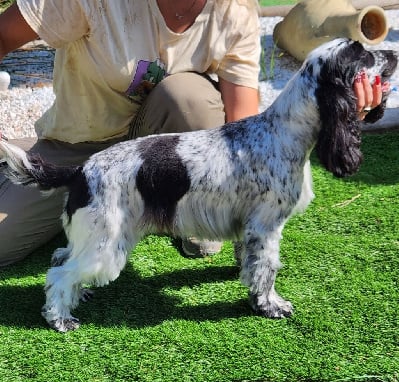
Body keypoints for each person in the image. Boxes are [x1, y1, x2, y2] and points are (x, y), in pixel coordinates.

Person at [0, 0, 386, 267]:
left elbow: (249, 133)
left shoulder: (234, 10)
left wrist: (344, 108)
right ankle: (19, 156)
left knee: (186, 96)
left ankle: (174, 207)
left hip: (169, 146)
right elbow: (3, 34)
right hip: (79, 145)